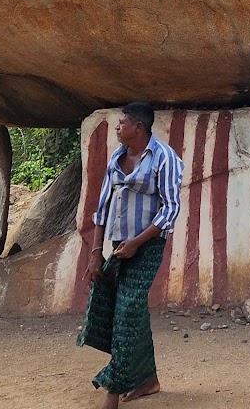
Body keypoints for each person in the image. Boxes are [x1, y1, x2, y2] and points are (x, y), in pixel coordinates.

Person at [78, 102, 185, 407]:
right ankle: (147, 380)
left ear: (138, 127)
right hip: (118, 246)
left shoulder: (164, 158)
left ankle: (111, 394)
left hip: (147, 247)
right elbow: (102, 208)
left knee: (126, 313)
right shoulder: (117, 157)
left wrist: (137, 242)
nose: (117, 126)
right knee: (129, 311)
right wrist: (96, 252)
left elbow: (170, 210)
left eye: (122, 122)